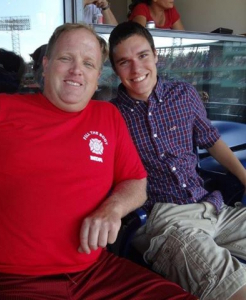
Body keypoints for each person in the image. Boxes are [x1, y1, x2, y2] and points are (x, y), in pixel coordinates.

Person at [0, 23, 196, 299]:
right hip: (6, 280)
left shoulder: (108, 116)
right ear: (46, 63)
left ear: (98, 76)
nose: (77, 70)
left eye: (88, 63)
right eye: (66, 58)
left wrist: (113, 208)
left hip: (99, 273)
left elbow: (135, 180)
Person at [109, 21, 246, 300]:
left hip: (212, 206)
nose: (136, 70)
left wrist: (245, 177)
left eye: (143, 56)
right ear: (114, 69)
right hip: (162, 220)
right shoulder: (110, 117)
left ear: (156, 55)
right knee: (235, 285)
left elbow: (212, 140)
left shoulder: (184, 94)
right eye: (125, 62)